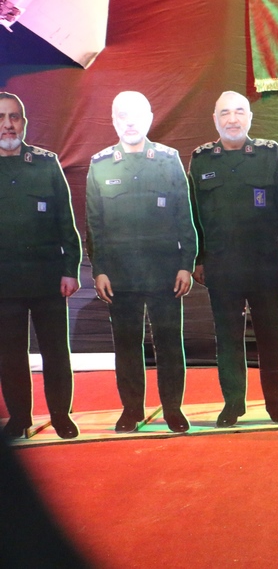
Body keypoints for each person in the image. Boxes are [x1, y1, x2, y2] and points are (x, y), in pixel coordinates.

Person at [189, 91, 278, 428]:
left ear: (250, 117)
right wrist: (198, 259)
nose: (232, 119)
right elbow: (193, 215)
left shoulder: (269, 153)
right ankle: (233, 404)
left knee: (271, 337)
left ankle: (275, 403)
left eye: (239, 111)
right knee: (228, 339)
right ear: (215, 120)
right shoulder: (201, 159)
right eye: (225, 113)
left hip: (264, 263)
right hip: (221, 266)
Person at [86, 91, 197, 433]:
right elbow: (94, 224)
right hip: (121, 274)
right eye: (123, 115)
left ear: (149, 118)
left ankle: (173, 410)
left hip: (165, 271)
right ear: (113, 121)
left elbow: (185, 216)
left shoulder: (168, 159)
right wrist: (99, 269)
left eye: (136, 114)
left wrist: (186, 263)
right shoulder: (100, 164)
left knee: (169, 343)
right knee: (126, 345)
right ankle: (131, 410)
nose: (130, 121)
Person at [0, 92, 82, 439]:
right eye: (1, 117)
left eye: (14, 117)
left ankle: (61, 415)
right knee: (10, 355)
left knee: (56, 351)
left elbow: (66, 221)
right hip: (4, 282)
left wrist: (71, 269)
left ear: (24, 122)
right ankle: (19, 417)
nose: (7, 124)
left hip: (48, 277)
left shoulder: (46, 163)